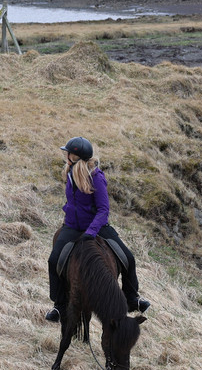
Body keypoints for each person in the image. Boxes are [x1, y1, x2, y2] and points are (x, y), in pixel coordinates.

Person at [46, 136, 149, 322]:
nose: (65, 155)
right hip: (71, 227)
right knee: (53, 261)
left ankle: (133, 299)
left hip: (96, 227)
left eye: (68, 153)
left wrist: (90, 232)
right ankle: (59, 307)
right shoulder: (69, 172)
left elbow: (103, 210)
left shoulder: (97, 177)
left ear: (75, 156)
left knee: (128, 258)